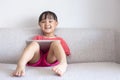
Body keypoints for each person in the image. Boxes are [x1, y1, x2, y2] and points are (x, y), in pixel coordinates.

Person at [12, 11, 70, 77]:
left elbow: (65, 53)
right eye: (43, 22)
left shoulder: (60, 39)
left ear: (56, 24)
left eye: (50, 21)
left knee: (56, 42)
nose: (47, 24)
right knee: (34, 44)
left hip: (50, 59)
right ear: (39, 24)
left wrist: (57, 51)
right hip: (36, 59)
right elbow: (29, 50)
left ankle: (63, 64)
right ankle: (20, 64)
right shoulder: (37, 37)